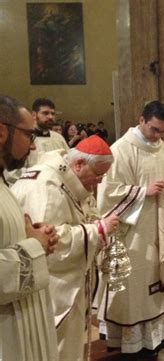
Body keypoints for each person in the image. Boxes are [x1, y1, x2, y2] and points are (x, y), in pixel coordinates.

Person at [12, 135, 120, 361]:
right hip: (51, 287)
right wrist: (98, 230)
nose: (99, 182)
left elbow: (82, 213)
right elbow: (48, 244)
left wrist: (96, 223)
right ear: (79, 164)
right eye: (98, 174)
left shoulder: (68, 178)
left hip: (66, 281)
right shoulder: (46, 185)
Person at [96, 100, 164, 358]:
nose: (158, 136)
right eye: (154, 130)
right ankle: (133, 341)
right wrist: (141, 192)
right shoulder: (122, 150)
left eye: (163, 132)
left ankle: (159, 332)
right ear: (141, 120)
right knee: (135, 286)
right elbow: (108, 192)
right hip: (133, 233)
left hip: (162, 227)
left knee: (162, 279)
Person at [0, 95, 59, 361]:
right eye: (28, 135)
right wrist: (34, 245)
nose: (33, 146)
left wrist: (30, 235)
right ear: (2, 132)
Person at [4, 98, 69, 184]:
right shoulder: (22, 138)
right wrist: (42, 176)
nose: (50, 117)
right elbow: (12, 172)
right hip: (29, 188)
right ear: (34, 115)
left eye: (52, 114)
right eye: (45, 113)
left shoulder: (58, 138)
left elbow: (68, 161)